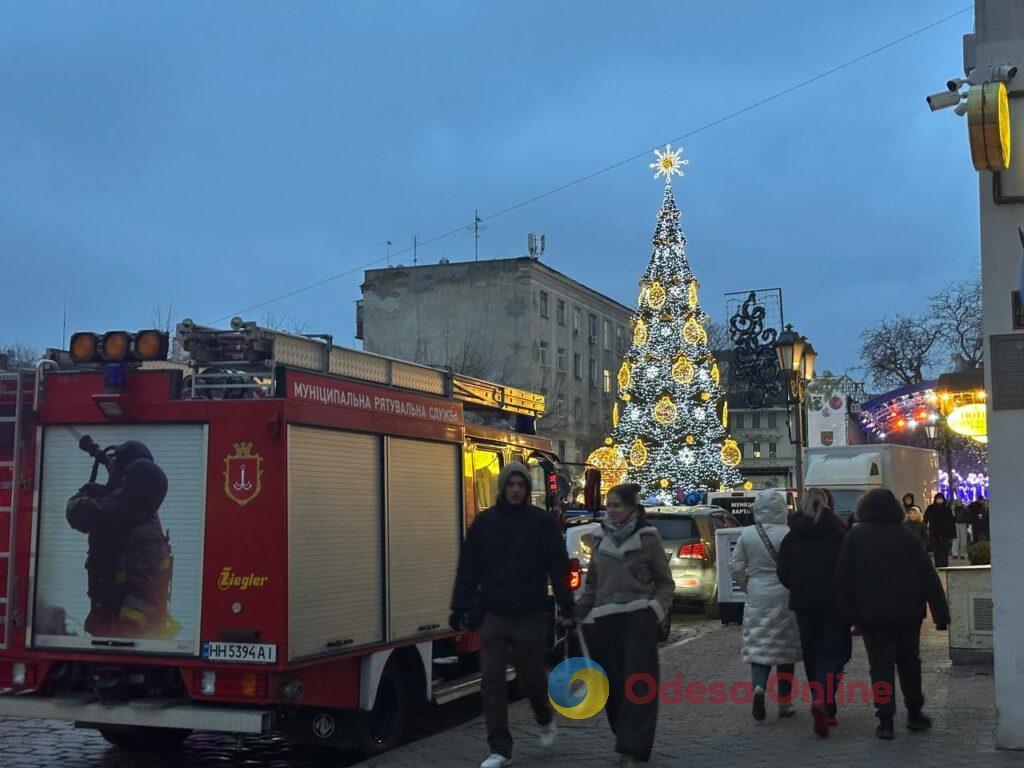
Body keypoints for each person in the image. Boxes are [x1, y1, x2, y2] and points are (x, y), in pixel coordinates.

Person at [449, 462, 575, 768]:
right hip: (494, 613)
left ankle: (544, 717)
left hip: (529, 613)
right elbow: (469, 567)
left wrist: (566, 607)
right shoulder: (485, 523)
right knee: (491, 681)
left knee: (531, 678)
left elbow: (558, 568)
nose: (516, 490)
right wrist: (459, 606)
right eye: (511, 485)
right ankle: (500, 748)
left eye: (520, 485)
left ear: (526, 489)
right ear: (503, 488)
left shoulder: (541, 523)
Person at [835, 489, 950, 740]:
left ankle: (885, 720)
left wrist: (845, 614)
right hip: (907, 613)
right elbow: (928, 576)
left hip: (871, 615)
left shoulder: (855, 537)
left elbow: (843, 577)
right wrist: (941, 614)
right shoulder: (907, 535)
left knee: (880, 666)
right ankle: (915, 713)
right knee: (910, 663)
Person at [575, 483, 674, 767]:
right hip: (605, 622)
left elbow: (665, 582)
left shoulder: (648, 538)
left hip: (638, 619)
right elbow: (592, 586)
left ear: (632, 507)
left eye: (617, 505)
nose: (612, 510)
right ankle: (625, 738)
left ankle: (634, 747)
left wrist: (655, 609)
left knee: (638, 685)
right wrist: (575, 614)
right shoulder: (599, 540)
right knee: (613, 687)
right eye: (608, 505)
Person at [65, 440, 174, 638]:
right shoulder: (129, 511)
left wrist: (119, 638)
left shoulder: (138, 526)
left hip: (133, 636)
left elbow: (142, 597)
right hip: (114, 626)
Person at [777, 488, 851, 738]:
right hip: (833, 604)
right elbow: (848, 569)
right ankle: (825, 702)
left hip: (804, 604)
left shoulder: (793, 535)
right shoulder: (839, 533)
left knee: (813, 654)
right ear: (829, 503)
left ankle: (821, 699)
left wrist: (797, 586)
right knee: (837, 652)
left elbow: (783, 572)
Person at [730, 490, 802, 722]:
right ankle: (785, 703)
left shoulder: (748, 534)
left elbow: (735, 566)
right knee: (785, 651)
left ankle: (759, 689)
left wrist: (748, 585)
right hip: (784, 595)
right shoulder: (789, 533)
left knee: (759, 648)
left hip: (757, 595)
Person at [924, 493, 956, 568]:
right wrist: (925, 529)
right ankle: (938, 565)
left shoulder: (947, 509)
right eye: (938, 499)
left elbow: (951, 522)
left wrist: (952, 534)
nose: (939, 500)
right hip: (934, 533)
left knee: (945, 551)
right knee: (936, 551)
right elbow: (926, 518)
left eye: (941, 499)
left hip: (945, 534)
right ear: (935, 499)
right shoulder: (931, 508)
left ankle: (945, 565)